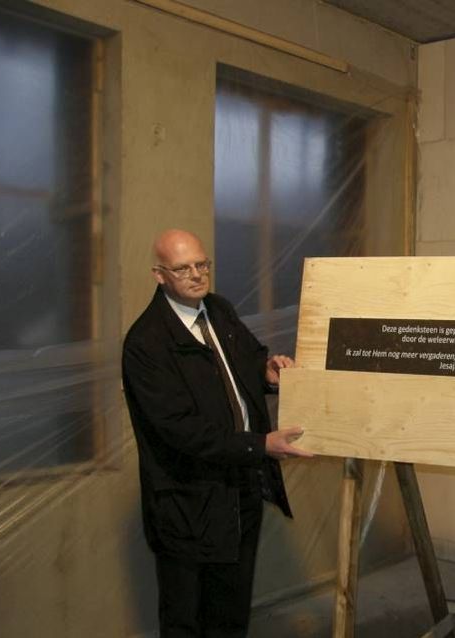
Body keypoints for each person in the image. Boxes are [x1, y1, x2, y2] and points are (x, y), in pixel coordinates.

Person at [122, 229, 313, 637]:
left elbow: (249, 359)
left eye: (202, 264)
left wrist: (269, 373)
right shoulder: (146, 343)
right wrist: (260, 444)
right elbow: (182, 431)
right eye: (182, 268)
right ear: (159, 275)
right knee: (186, 618)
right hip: (187, 503)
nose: (196, 275)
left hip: (239, 490)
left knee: (231, 612)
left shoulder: (219, 311)